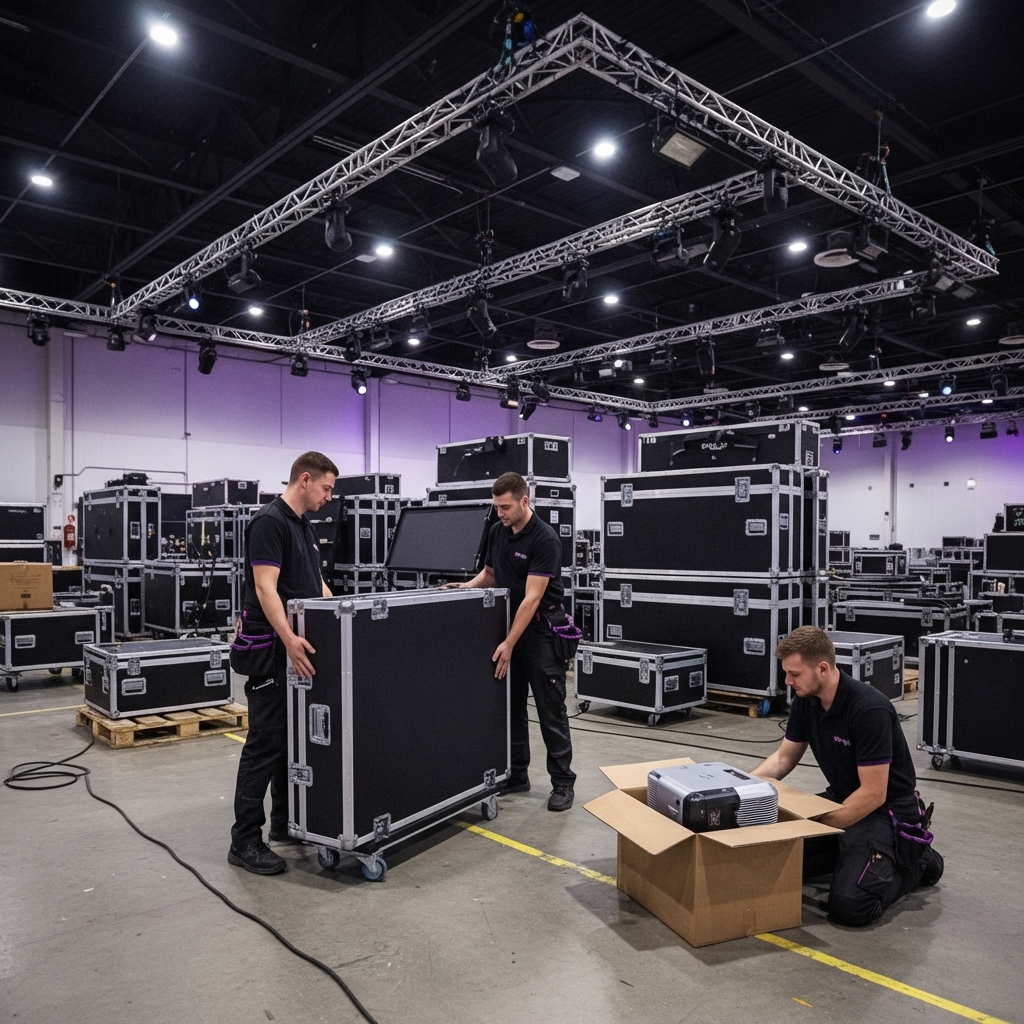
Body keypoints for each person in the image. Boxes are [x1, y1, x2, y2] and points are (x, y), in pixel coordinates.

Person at [752, 626, 943, 926]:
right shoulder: (806, 701)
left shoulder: (868, 710)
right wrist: (741, 785)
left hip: (886, 811)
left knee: (851, 906)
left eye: (794, 674)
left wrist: (818, 826)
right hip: (843, 799)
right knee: (772, 860)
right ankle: (852, 856)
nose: (787, 681)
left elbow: (873, 794)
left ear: (823, 669)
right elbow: (783, 759)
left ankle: (917, 861)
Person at [227, 451, 338, 875]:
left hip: (292, 652)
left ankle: (284, 823)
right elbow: (265, 587)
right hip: (272, 653)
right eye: (326, 488)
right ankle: (244, 841)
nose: (329, 497)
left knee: (290, 744)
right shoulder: (270, 522)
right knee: (265, 745)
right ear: (305, 479)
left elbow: (315, 584)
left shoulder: (303, 525)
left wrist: (344, 615)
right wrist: (290, 639)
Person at [456, 471, 576, 811]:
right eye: (496, 507)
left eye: (505, 507)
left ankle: (563, 783)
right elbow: (490, 574)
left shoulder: (545, 539)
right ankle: (517, 774)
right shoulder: (497, 531)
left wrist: (508, 643)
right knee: (512, 706)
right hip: (510, 628)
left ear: (525, 500)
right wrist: (464, 588)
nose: (500, 513)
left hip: (540, 633)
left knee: (551, 709)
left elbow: (532, 598)